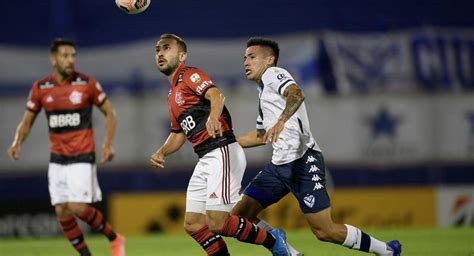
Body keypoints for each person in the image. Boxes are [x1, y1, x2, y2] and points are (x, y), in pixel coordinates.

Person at [232, 37, 403, 256]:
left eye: (252, 57)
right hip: (279, 166)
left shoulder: (273, 74)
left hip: (303, 160)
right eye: (245, 58)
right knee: (240, 218)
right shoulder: (263, 91)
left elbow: (297, 93)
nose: (246, 62)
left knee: (325, 231)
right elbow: (260, 136)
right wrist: (223, 143)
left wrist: (282, 120)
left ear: (269, 60)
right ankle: (289, 251)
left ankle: (388, 250)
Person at [149, 33, 290, 256]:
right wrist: (162, 151)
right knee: (194, 223)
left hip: (221, 150)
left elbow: (216, 95)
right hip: (205, 158)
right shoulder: (172, 94)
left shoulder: (190, 75)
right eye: (157, 50)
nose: (160, 53)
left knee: (217, 222)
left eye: (166, 48)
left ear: (182, 55)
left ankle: (273, 241)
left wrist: (214, 117)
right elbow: (177, 134)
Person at [6, 38, 125, 256]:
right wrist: (17, 142)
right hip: (58, 158)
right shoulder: (41, 88)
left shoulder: (87, 84)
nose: (70, 60)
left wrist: (107, 145)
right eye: (65, 55)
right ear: (53, 59)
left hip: (82, 154)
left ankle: (115, 238)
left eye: (73, 55)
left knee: (77, 206)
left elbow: (110, 112)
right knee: (61, 211)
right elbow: (27, 121)